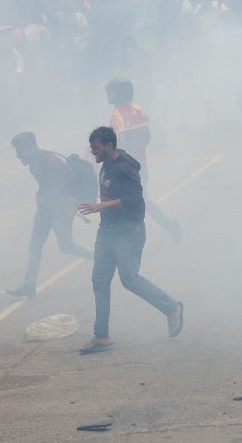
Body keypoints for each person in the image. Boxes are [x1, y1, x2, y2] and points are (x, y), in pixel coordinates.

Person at [78, 127, 183, 355]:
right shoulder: (106, 161)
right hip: (107, 230)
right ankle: (102, 336)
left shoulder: (125, 166)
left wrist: (100, 206)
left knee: (130, 279)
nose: (93, 152)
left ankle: (172, 308)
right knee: (99, 280)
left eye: (96, 148)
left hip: (128, 231)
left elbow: (134, 198)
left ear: (109, 146)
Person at [5, 133, 93, 299]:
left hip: (59, 211)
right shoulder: (39, 161)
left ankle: (103, 259)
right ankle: (29, 285)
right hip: (45, 210)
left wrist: (66, 201)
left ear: (31, 147)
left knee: (67, 246)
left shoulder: (49, 161)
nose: (18, 155)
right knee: (35, 247)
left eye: (20, 150)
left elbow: (68, 178)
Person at [106, 78, 182, 245]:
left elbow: (120, 142)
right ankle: (168, 226)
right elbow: (147, 137)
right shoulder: (138, 109)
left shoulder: (118, 114)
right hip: (141, 163)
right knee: (140, 202)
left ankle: (132, 243)